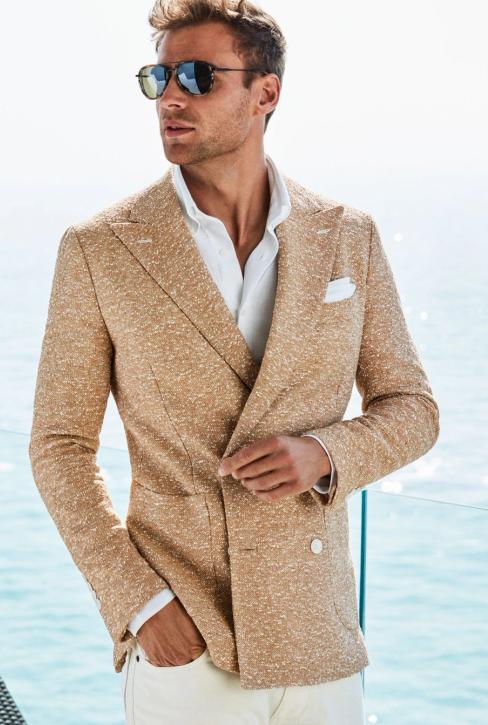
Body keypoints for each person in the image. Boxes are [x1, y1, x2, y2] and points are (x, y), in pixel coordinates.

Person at [28, 1, 440, 722]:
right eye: (159, 78)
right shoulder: (100, 248)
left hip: (318, 638)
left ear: (265, 92)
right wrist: (139, 602)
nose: (171, 97)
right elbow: (59, 444)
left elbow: (413, 408)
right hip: (187, 643)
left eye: (197, 76)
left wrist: (325, 453)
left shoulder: (348, 236)